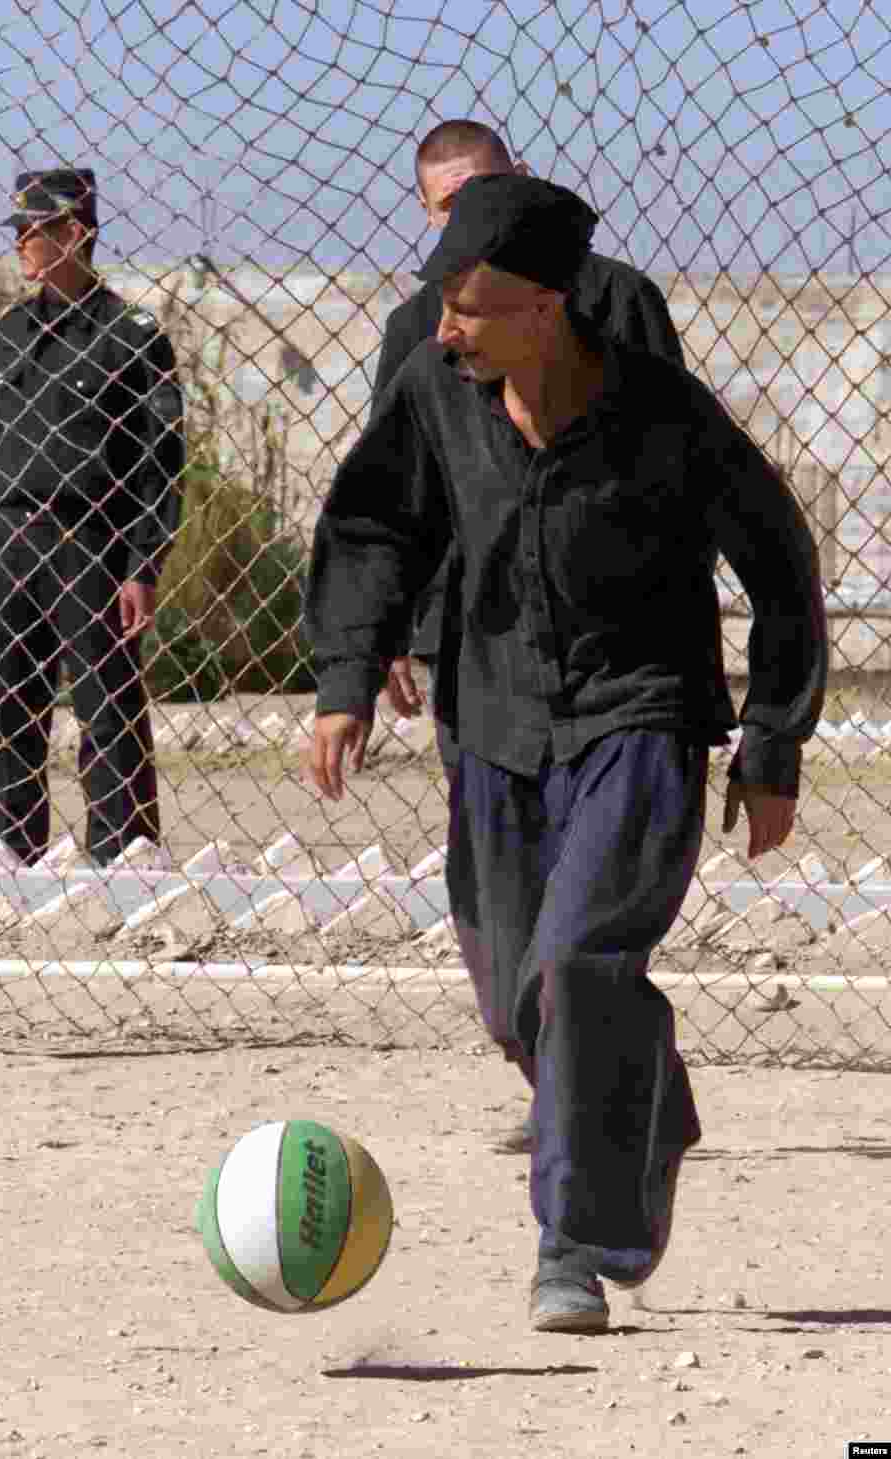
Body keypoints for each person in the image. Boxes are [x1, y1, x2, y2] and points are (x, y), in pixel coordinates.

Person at [306, 174, 827, 1333]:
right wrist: (347, 676)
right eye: (444, 303)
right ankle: (645, 1099)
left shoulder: (662, 416)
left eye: (472, 308)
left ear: (545, 309)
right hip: (493, 726)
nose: (444, 328)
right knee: (516, 1007)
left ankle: (575, 1247)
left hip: (638, 721)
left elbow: (782, 565)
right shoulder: (436, 396)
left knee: (578, 966)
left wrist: (771, 743)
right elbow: (375, 524)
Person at [374, 119, 688, 1156]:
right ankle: (615, 1082)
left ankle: (584, 1109)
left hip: (611, 663)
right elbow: (396, 496)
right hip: (480, 663)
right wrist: (388, 633)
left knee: (586, 910)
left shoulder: (619, 303)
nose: (469, 224)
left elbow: (671, 471)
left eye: (485, 197)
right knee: (502, 937)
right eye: (445, 210)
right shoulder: (418, 329)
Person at [0, 168, 184, 867]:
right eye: (17, 229)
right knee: (4, 705)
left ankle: (124, 852)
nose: (20, 242)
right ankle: (8, 847)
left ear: (75, 233)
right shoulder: (9, 333)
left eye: (34, 230)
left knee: (107, 707)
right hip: (7, 540)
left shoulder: (132, 336)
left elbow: (160, 462)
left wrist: (145, 564)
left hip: (92, 543)